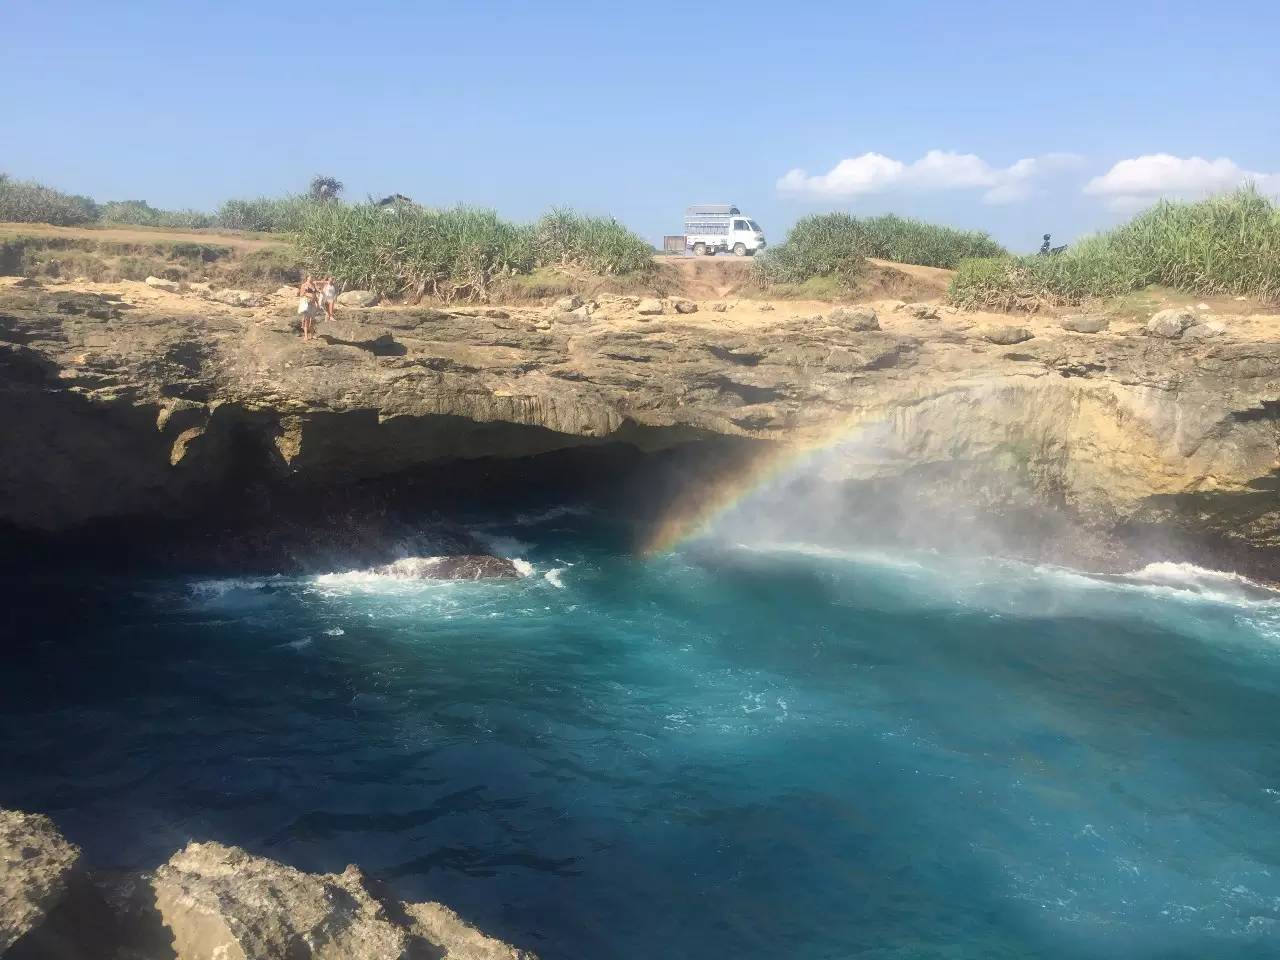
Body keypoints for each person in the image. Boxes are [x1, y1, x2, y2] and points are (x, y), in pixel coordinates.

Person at [297, 275, 320, 341]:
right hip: (307, 304)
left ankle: (312, 335)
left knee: (312, 320)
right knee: (306, 320)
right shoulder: (304, 285)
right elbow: (301, 295)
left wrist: (317, 303)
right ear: (307, 278)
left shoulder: (313, 285)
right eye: (310, 277)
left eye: (312, 277)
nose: (311, 278)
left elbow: (315, 295)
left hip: (313, 304)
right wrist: (305, 292)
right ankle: (306, 336)